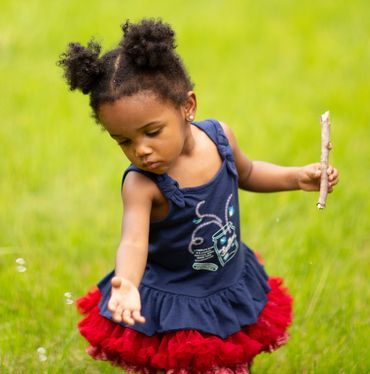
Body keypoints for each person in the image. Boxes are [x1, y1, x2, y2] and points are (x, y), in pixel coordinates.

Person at [58, 18, 339, 374]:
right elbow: (132, 243)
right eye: (125, 141)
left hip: (223, 282)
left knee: (232, 360)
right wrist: (127, 284)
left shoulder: (219, 138)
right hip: (179, 306)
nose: (141, 150)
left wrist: (296, 176)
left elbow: (248, 172)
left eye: (152, 131)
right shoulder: (142, 185)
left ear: (187, 106)